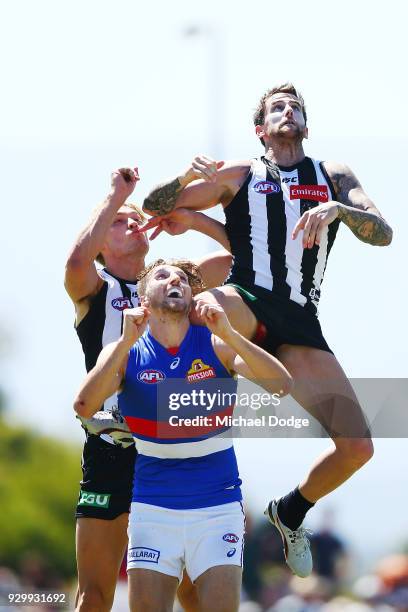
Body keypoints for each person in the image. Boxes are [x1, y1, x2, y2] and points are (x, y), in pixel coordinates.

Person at [141, 83, 393, 578]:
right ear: (261, 129)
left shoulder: (332, 175)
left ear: (305, 125)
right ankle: (160, 411)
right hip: (247, 297)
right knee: (202, 311)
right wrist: (191, 177)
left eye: (295, 107)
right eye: (277, 108)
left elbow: (382, 232)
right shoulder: (241, 174)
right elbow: (155, 204)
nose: (288, 112)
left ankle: (291, 511)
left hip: (299, 319)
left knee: (358, 446)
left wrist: (340, 209)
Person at [74, 259, 292, 612]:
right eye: (162, 276)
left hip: (217, 507)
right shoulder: (127, 354)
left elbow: (282, 385)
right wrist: (125, 340)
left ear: (191, 299)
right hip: (153, 508)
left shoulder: (216, 345)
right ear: (143, 300)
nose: (175, 279)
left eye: (182, 280)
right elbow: (84, 405)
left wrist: (230, 333)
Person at [64, 167, 233, 611]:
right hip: (110, 446)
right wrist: (117, 196)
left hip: (168, 448)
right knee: (94, 597)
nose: (131, 223)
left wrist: (189, 217)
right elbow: (76, 264)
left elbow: (242, 261)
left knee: (194, 594)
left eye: (135, 218)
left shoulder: (173, 283)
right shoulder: (96, 290)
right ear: (101, 241)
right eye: (119, 222)